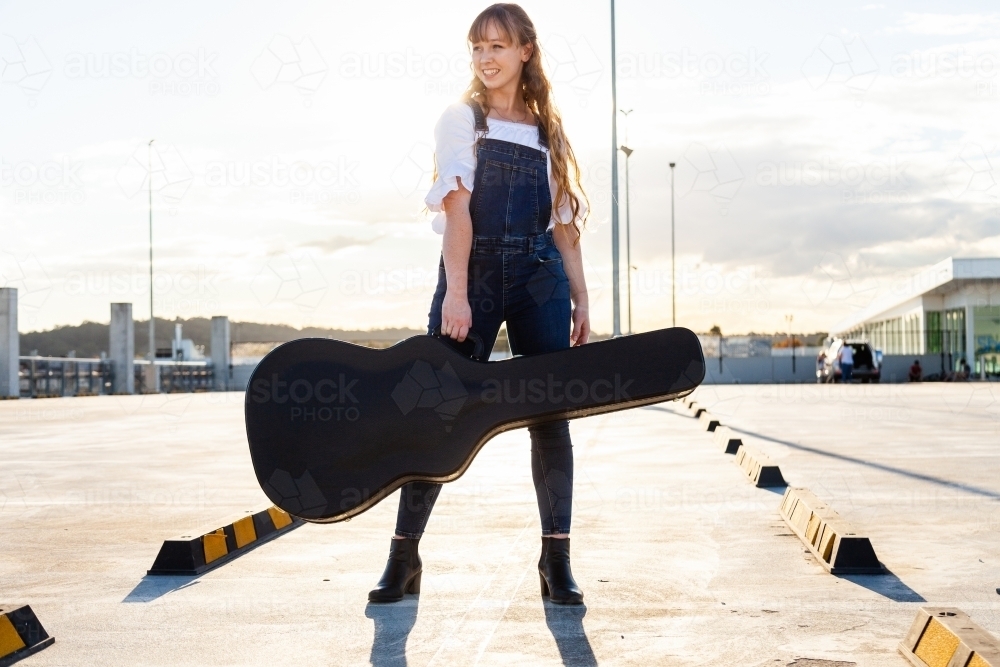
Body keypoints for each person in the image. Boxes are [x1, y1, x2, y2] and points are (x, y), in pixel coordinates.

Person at [368, 4, 590, 606]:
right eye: (477, 47)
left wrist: (581, 299)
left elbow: (564, 224)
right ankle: (403, 556)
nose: (486, 58)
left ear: (526, 51)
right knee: (437, 409)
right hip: (477, 269)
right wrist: (459, 292)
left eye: (498, 46)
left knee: (550, 418)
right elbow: (458, 209)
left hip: (540, 274)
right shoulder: (460, 118)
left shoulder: (549, 132)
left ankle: (557, 561)